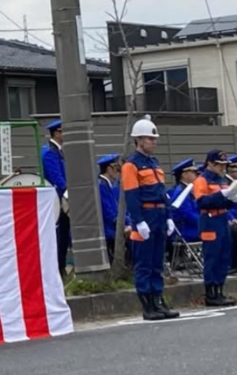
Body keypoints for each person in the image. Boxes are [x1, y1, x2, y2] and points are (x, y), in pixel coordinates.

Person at [122, 115, 179, 321]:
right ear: (138, 139)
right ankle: (147, 305)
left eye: (154, 139)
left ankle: (158, 301)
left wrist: (169, 216)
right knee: (144, 264)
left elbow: (162, 193)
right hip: (145, 215)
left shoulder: (154, 163)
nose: (154, 142)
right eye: (149, 138)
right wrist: (138, 221)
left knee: (157, 262)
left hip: (159, 214)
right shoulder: (131, 165)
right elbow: (131, 195)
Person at [194, 149, 237, 306]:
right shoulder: (202, 180)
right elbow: (202, 202)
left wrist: (232, 198)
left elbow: (225, 202)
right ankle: (211, 293)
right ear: (210, 163)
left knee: (223, 256)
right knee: (212, 257)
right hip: (209, 220)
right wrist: (222, 195)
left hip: (222, 218)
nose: (223, 167)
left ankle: (220, 290)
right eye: (219, 164)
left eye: (224, 165)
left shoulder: (222, 180)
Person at [41, 119, 70, 276]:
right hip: (57, 199)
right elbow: (57, 178)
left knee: (64, 234)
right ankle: (59, 268)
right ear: (56, 133)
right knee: (59, 235)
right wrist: (68, 191)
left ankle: (62, 266)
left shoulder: (58, 151)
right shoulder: (50, 153)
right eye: (62, 131)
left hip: (61, 198)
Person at [168, 158, 200, 245]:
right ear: (184, 175)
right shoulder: (181, 192)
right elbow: (186, 213)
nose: (196, 174)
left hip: (193, 228)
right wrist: (203, 221)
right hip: (187, 230)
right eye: (193, 172)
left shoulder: (189, 189)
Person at [97, 154, 121, 261]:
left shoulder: (107, 184)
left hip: (112, 227)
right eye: (116, 168)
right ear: (109, 169)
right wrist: (118, 223)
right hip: (109, 228)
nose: (117, 171)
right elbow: (107, 209)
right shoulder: (102, 185)